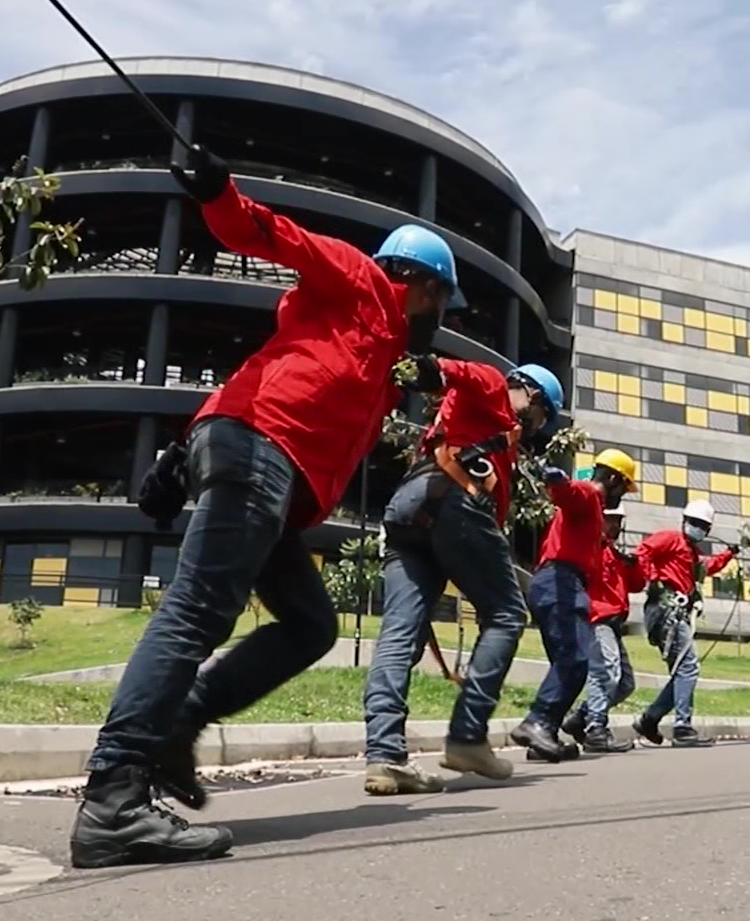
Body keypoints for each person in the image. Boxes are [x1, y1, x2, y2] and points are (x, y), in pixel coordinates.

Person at [70, 145, 467, 870]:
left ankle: (180, 720)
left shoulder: (377, 360)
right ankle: (114, 798)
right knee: (196, 611)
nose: (439, 317)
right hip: (259, 452)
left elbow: (273, 370)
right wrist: (220, 194)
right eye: (442, 300)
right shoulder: (360, 281)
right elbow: (273, 235)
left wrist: (178, 457)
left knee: (313, 625)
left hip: (264, 471)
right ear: (420, 283)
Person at [360, 357, 566, 795]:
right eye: (541, 415)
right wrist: (433, 370)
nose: (535, 427)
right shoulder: (496, 387)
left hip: (409, 507)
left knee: (400, 633)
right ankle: (468, 736)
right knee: (508, 613)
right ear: (530, 394)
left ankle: (385, 757)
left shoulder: (487, 431)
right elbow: (461, 373)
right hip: (456, 498)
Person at [511, 448, 636, 761]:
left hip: (557, 583)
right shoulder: (590, 495)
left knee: (567, 663)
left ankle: (546, 735)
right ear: (612, 478)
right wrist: (556, 479)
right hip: (561, 582)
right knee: (576, 661)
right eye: (623, 487)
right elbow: (569, 492)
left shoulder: (594, 517)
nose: (622, 496)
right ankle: (537, 721)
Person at [633, 498, 736, 748]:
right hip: (666, 609)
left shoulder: (692, 555)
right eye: (694, 522)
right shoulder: (669, 538)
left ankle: (651, 719)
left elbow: (706, 567)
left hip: (675, 612)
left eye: (702, 525)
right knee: (688, 667)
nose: (696, 527)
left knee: (682, 671)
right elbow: (644, 551)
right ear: (684, 521)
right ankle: (682, 726)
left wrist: (729, 554)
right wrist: (654, 579)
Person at [561, 496, 646, 753]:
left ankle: (581, 717)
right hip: (597, 618)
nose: (615, 527)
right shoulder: (590, 547)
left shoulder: (614, 552)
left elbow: (636, 585)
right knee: (607, 672)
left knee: (625, 684)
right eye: (611, 520)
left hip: (613, 621)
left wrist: (634, 565)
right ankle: (596, 728)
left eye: (618, 521)